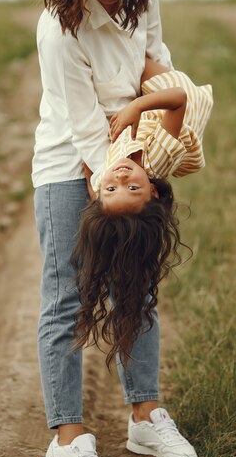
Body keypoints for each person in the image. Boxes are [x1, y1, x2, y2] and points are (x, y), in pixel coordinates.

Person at [33, 0, 198, 457]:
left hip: (132, 148)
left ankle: (145, 415)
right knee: (67, 297)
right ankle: (68, 439)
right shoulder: (60, 29)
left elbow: (159, 62)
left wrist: (172, 117)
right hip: (70, 162)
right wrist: (121, 180)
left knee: (138, 285)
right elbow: (84, 132)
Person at [73, 57, 213, 371]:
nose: (120, 179)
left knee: (115, 73)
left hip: (145, 119)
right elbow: (177, 100)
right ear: (153, 191)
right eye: (133, 189)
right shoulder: (158, 159)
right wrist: (137, 107)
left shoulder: (104, 182)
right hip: (183, 104)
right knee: (135, 59)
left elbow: (89, 167)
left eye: (112, 190)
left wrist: (97, 179)